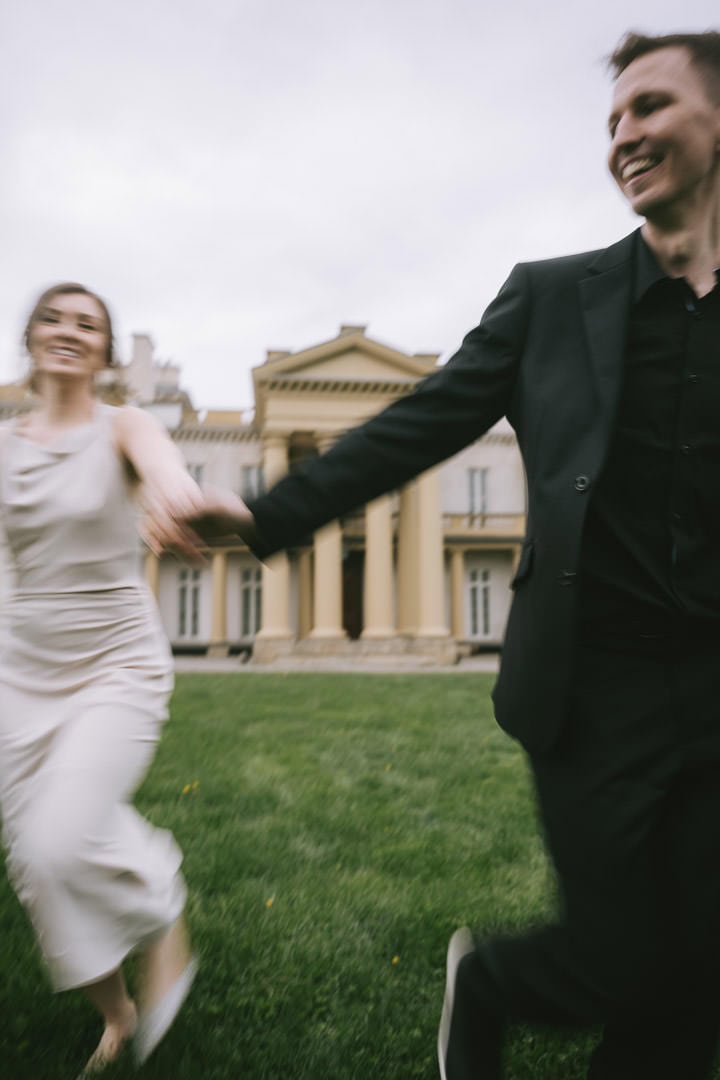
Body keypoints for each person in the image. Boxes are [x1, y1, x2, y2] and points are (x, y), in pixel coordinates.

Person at [164, 29, 720, 1080]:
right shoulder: (553, 299)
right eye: (611, 121)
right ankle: (495, 982)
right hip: (593, 688)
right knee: (618, 958)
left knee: (695, 980)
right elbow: (417, 426)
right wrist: (269, 514)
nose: (624, 136)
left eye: (649, 107)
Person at [0, 283, 202, 1075]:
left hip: (114, 663)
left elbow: (167, 476)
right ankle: (117, 1014)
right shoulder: (5, 445)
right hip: (20, 673)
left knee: (60, 838)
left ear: (106, 353)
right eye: (54, 317)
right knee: (35, 865)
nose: (68, 332)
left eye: (88, 324)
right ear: (31, 336)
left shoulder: (126, 425)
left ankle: (164, 903)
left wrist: (176, 503)